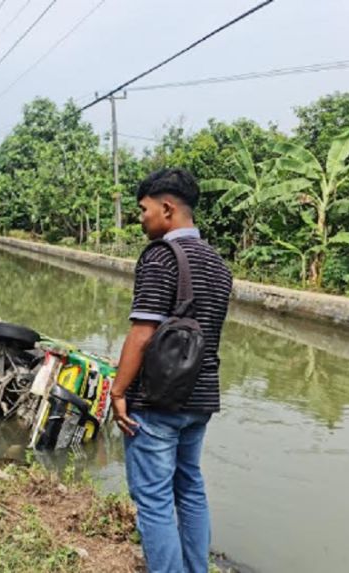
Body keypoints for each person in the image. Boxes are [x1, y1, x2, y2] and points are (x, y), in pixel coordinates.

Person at [109, 168, 232, 573]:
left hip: (159, 400)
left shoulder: (161, 256)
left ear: (167, 208)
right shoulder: (218, 264)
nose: (140, 218)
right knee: (190, 487)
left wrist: (118, 392)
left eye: (143, 210)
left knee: (154, 499)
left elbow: (143, 334)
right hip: (201, 399)